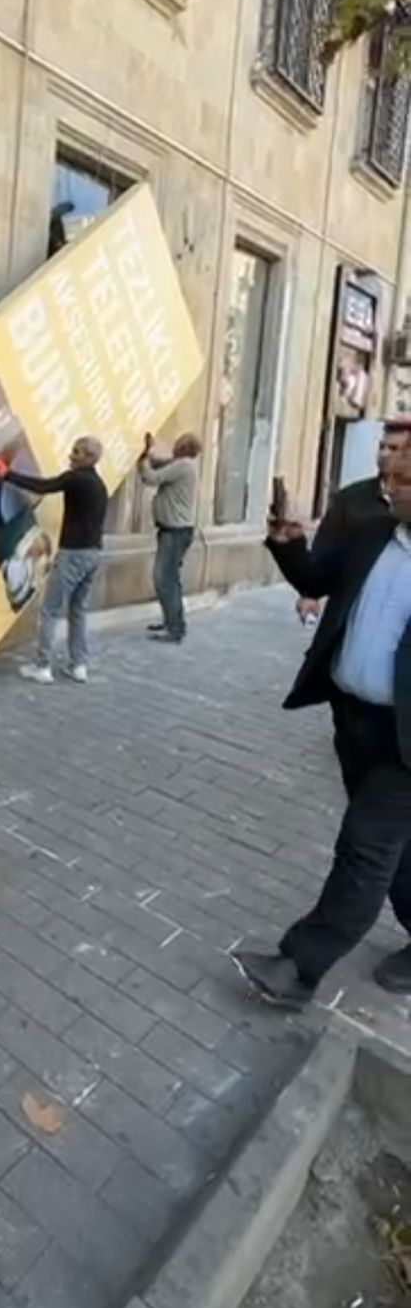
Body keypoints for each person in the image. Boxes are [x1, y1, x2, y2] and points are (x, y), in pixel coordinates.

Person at [234, 450, 411, 1009]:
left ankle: (298, 969)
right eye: (389, 477)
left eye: (404, 480)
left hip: (406, 749)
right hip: (354, 721)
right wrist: (289, 544)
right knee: (396, 849)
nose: (390, 488)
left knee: (364, 848)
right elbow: (316, 577)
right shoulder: (373, 534)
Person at [0, 437, 108, 684]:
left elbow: (42, 486)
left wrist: (6, 474)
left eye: (75, 452)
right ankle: (79, 665)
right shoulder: (99, 485)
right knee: (78, 610)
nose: (70, 456)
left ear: (86, 457)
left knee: (50, 610)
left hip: (73, 553)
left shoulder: (76, 479)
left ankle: (42, 667)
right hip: (94, 553)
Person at [295, 418, 411, 626]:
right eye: (381, 446)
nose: (384, 454)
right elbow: (324, 551)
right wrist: (310, 593)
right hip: (351, 609)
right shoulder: (351, 499)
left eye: (394, 449)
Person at [138, 432, 202, 644]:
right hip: (175, 530)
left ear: (183, 448)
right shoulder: (182, 465)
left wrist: (145, 460)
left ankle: (174, 628)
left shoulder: (183, 466)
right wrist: (148, 453)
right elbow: (158, 463)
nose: (174, 447)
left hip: (175, 531)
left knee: (164, 580)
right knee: (169, 579)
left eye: (178, 444)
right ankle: (172, 623)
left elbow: (151, 477)